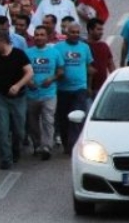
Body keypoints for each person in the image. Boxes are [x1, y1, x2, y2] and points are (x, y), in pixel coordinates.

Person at [0, 32, 33, 170]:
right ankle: (6, 158)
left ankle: (16, 148)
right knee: (2, 129)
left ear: (3, 41)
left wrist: (18, 85)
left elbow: (29, 72)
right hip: (1, 98)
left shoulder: (19, 54)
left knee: (19, 130)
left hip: (18, 98)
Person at [54, 22, 95, 154]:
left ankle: (75, 145)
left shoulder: (85, 47)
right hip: (63, 89)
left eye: (77, 32)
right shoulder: (58, 48)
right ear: (66, 33)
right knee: (63, 118)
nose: (75, 35)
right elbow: (54, 67)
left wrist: (89, 86)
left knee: (77, 118)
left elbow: (89, 68)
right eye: (72, 32)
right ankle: (66, 144)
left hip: (80, 89)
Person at [25, 26, 64, 161]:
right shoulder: (27, 53)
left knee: (48, 120)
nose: (39, 37)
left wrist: (52, 78)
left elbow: (61, 70)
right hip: (31, 94)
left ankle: (47, 146)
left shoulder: (54, 52)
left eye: (42, 35)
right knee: (33, 122)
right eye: (36, 35)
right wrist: (28, 81)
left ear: (47, 37)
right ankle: (37, 145)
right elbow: (22, 71)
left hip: (49, 93)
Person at [86, 18, 115, 99]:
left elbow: (111, 65)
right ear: (90, 30)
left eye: (102, 29)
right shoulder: (83, 46)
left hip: (102, 88)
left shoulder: (104, 46)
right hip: (87, 89)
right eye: (98, 29)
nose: (101, 32)